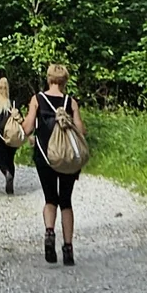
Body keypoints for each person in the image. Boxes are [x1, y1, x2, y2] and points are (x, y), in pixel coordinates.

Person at [22, 61, 87, 267]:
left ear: (49, 79)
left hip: (45, 156)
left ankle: (50, 233)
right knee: (66, 201)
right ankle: (68, 249)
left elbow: (28, 127)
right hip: (68, 159)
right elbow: (81, 131)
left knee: (50, 198)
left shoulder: (37, 99)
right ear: (65, 81)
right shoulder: (71, 102)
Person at [0, 77, 22, 195]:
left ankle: (6, 173)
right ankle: (11, 180)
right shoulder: (14, 104)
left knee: (1, 160)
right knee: (10, 159)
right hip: (12, 136)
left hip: (0, 137)